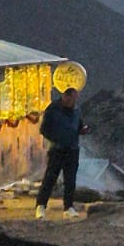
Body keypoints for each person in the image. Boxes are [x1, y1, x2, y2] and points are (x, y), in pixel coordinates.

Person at [34, 87, 89, 220]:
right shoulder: (53, 110)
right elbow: (44, 129)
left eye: (76, 99)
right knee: (50, 178)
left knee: (70, 180)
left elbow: (79, 126)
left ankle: (68, 207)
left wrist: (82, 130)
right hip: (57, 149)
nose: (74, 102)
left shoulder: (76, 110)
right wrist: (57, 139)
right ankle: (41, 206)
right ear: (66, 97)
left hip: (72, 149)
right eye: (72, 99)